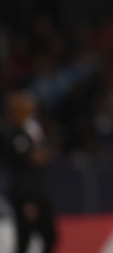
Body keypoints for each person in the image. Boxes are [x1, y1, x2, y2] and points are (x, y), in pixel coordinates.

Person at [1, 91, 57, 253]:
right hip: (26, 194)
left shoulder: (29, 131)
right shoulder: (14, 136)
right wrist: (28, 201)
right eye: (26, 108)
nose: (31, 112)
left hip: (35, 192)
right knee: (27, 238)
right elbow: (36, 159)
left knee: (45, 237)